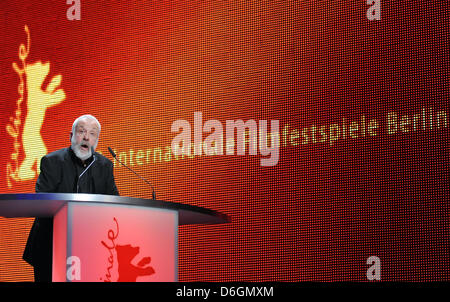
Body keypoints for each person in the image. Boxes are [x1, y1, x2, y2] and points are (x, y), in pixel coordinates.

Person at [23, 114, 119, 282]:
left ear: (97, 139)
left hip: (92, 247)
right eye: (81, 131)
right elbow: (42, 200)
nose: (86, 137)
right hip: (51, 246)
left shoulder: (105, 165)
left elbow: (114, 202)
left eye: (93, 133)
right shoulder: (52, 161)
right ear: (71, 136)